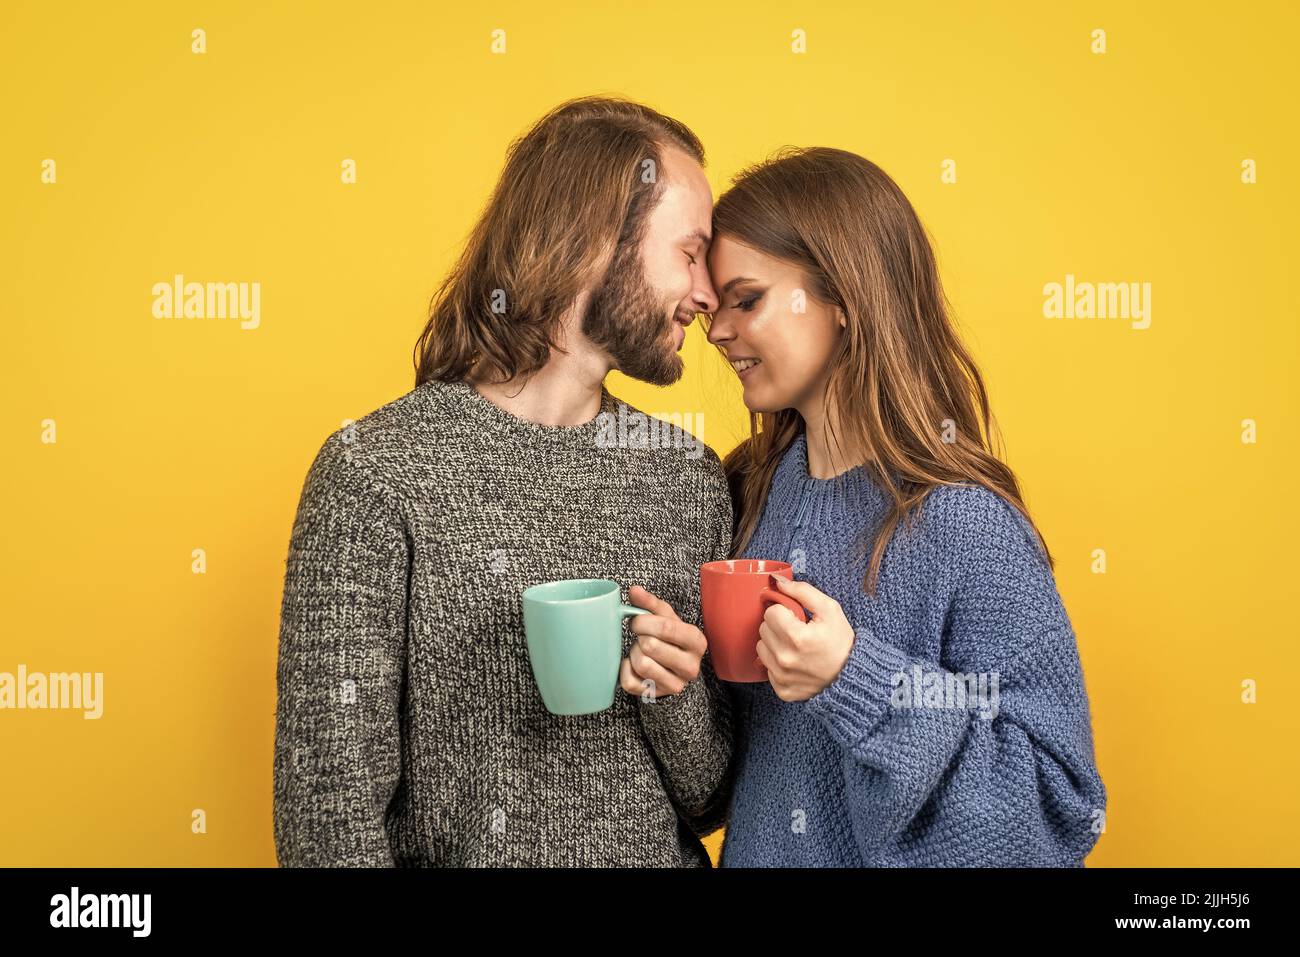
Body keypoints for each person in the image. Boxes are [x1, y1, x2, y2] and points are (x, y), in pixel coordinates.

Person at [273, 96, 733, 866]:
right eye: (690, 253)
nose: (707, 294)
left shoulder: (688, 477)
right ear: (595, 238)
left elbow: (712, 800)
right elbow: (328, 817)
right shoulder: (375, 471)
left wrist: (676, 694)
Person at [702, 146, 1107, 866]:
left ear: (844, 299)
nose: (717, 330)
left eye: (748, 298)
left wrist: (855, 678)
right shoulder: (748, 491)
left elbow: (1059, 812)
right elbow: (730, 771)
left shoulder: (966, 526)